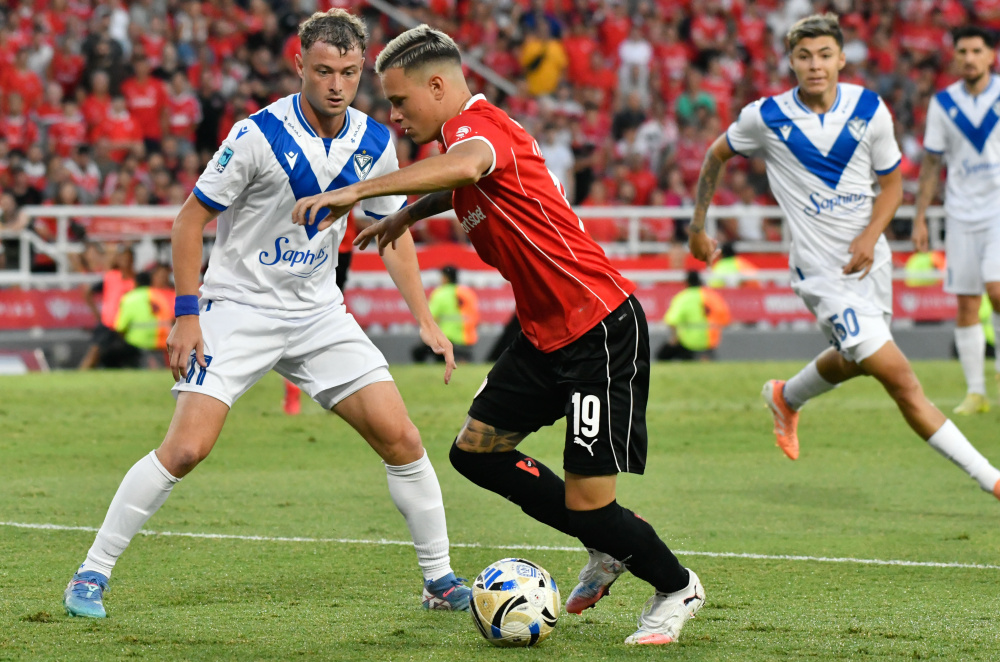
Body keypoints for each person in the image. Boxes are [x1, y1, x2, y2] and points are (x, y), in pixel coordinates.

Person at [292, 24, 705, 646]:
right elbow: (459, 182)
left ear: (439, 86)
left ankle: (676, 586)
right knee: (475, 452)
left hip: (598, 329)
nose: (394, 114)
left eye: (400, 101)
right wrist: (405, 213)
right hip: (544, 337)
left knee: (595, 503)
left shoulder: (478, 130)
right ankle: (607, 541)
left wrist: (356, 192)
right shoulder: (466, 140)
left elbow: (465, 164)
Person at [63, 10, 472, 620]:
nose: (338, 84)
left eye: (351, 73)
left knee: (403, 439)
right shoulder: (255, 136)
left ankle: (438, 580)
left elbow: (391, 230)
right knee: (185, 450)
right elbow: (189, 222)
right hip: (239, 308)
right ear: (299, 65)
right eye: (325, 71)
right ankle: (91, 574)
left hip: (318, 313)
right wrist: (187, 313)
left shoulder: (373, 141)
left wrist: (425, 318)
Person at [688, 13, 1000, 501]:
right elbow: (715, 156)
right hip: (821, 274)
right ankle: (992, 479)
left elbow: (893, 184)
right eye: (805, 56)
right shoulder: (765, 117)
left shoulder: (870, 108)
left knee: (858, 361)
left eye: (825, 55)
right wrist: (697, 227)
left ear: (842, 58)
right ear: (790, 61)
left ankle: (785, 396)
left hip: (871, 263)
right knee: (901, 379)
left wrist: (871, 235)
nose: (816, 65)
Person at [913, 26, 1000, 415]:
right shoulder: (943, 104)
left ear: (990, 55)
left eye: (976, 50)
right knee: (966, 303)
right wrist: (919, 218)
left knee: (996, 289)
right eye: (962, 51)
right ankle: (976, 392)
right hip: (961, 212)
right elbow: (931, 163)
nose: (968, 57)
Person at [80, 246, 136, 370]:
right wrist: (97, 315)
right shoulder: (112, 277)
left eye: (128, 258)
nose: (125, 261)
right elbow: (89, 293)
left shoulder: (135, 280)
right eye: (123, 258)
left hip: (127, 325)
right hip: (108, 323)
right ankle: (80, 377)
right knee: (94, 353)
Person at [657, 270, 731, 361]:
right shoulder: (714, 297)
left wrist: (674, 338)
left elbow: (671, 321)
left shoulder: (683, 297)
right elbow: (725, 320)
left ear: (686, 283)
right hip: (710, 343)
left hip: (689, 343)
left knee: (661, 355)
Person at [412, 265, 479, 363]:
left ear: (445, 278)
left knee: (418, 352)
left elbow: (429, 318)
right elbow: (476, 317)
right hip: (468, 341)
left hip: (447, 340)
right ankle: (460, 359)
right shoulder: (469, 293)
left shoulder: (441, 293)